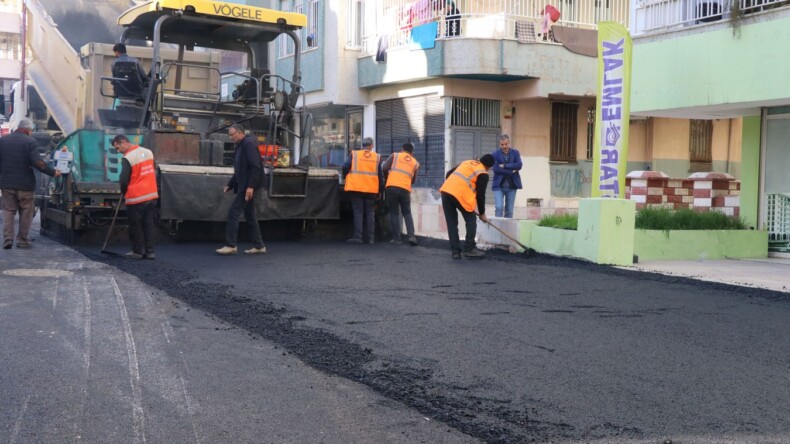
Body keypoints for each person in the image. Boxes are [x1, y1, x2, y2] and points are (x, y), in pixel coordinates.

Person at [0, 118, 61, 249]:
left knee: (8, 212)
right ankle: (22, 240)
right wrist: (53, 172)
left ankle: (8, 239)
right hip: (25, 185)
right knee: (26, 211)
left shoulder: (3, 140)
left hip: (7, 184)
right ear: (28, 130)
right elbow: (38, 163)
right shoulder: (30, 141)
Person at [216, 124, 266, 255]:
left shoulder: (248, 145)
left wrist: (251, 187)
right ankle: (259, 246)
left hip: (247, 186)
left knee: (234, 212)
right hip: (246, 184)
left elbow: (256, 167)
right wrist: (230, 184)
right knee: (250, 215)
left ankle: (231, 245)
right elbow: (240, 169)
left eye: (232, 134)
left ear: (239, 133)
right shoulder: (241, 146)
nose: (230, 137)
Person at [439, 154, 495, 259]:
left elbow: (449, 173)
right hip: (460, 195)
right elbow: (480, 195)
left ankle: (455, 252)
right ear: (489, 167)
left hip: (446, 191)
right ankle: (469, 249)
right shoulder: (483, 173)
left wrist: (452, 186)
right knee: (471, 220)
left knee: (452, 223)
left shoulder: (467, 162)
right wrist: (482, 213)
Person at [112, 135, 158, 259]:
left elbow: (124, 179)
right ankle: (150, 252)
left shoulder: (128, 157)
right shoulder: (148, 152)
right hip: (151, 195)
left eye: (118, 147)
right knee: (148, 224)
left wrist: (123, 191)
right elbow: (154, 169)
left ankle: (137, 251)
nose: (118, 151)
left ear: (123, 143)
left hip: (136, 197)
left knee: (135, 225)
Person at [342, 137, 382, 244]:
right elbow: (380, 175)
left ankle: (358, 237)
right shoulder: (377, 157)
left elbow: (345, 166)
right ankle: (370, 238)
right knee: (370, 213)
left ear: (362, 145)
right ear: (371, 146)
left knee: (358, 212)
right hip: (371, 189)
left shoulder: (354, 154)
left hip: (356, 188)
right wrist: (380, 191)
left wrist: (345, 176)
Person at [382, 142, 420, 246]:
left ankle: (397, 238)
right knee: (407, 212)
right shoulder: (415, 163)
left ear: (402, 149)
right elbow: (414, 180)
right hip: (405, 189)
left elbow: (385, 168)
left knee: (394, 213)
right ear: (412, 152)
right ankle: (411, 236)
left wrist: (387, 177)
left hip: (392, 187)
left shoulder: (395, 155)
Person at [491, 134, 523, 218]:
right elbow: (496, 169)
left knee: (509, 211)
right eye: (502, 144)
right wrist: (511, 171)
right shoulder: (495, 154)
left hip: (512, 186)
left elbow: (519, 165)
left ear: (509, 142)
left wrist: (505, 166)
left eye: (506, 144)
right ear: (499, 144)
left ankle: (506, 230)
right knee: (499, 207)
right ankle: (497, 229)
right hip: (499, 186)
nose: (504, 146)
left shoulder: (515, 152)